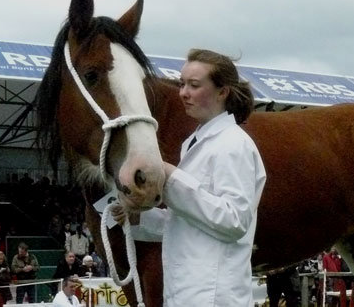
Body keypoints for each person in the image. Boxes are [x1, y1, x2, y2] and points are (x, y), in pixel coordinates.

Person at [112, 48, 266, 306]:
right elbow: (190, 223)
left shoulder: (234, 144)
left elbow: (234, 220)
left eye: (194, 85)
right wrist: (140, 217)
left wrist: (170, 179)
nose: (183, 92)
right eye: (182, 84)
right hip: (188, 290)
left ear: (222, 92)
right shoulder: (196, 143)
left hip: (214, 295)